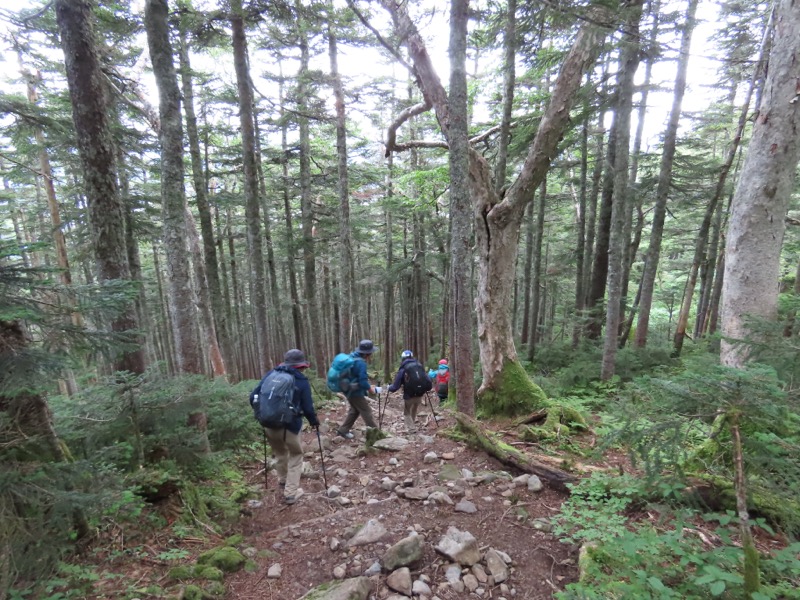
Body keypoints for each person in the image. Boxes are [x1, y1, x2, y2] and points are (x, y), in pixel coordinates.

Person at [250, 349, 319, 505]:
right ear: (301, 366)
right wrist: (314, 422)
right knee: (296, 455)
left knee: (280, 453)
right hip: (291, 426)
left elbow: (253, 396)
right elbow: (308, 408)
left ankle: (282, 480)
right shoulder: (301, 381)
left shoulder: (270, 375)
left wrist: (262, 415)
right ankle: (290, 493)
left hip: (268, 424)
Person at [336, 339, 381, 440]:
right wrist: (371, 389)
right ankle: (376, 434)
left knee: (355, 410)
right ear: (367, 354)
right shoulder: (361, 363)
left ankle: (343, 430)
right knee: (366, 411)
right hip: (354, 391)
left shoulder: (351, 357)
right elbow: (363, 381)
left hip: (347, 388)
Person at [388, 350, 428, 434]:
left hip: (409, 395)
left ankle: (412, 429)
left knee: (406, 412)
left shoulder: (403, 369)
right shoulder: (419, 366)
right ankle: (412, 424)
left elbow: (395, 386)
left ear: (403, 358)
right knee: (414, 408)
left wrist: (389, 388)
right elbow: (427, 379)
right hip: (420, 394)